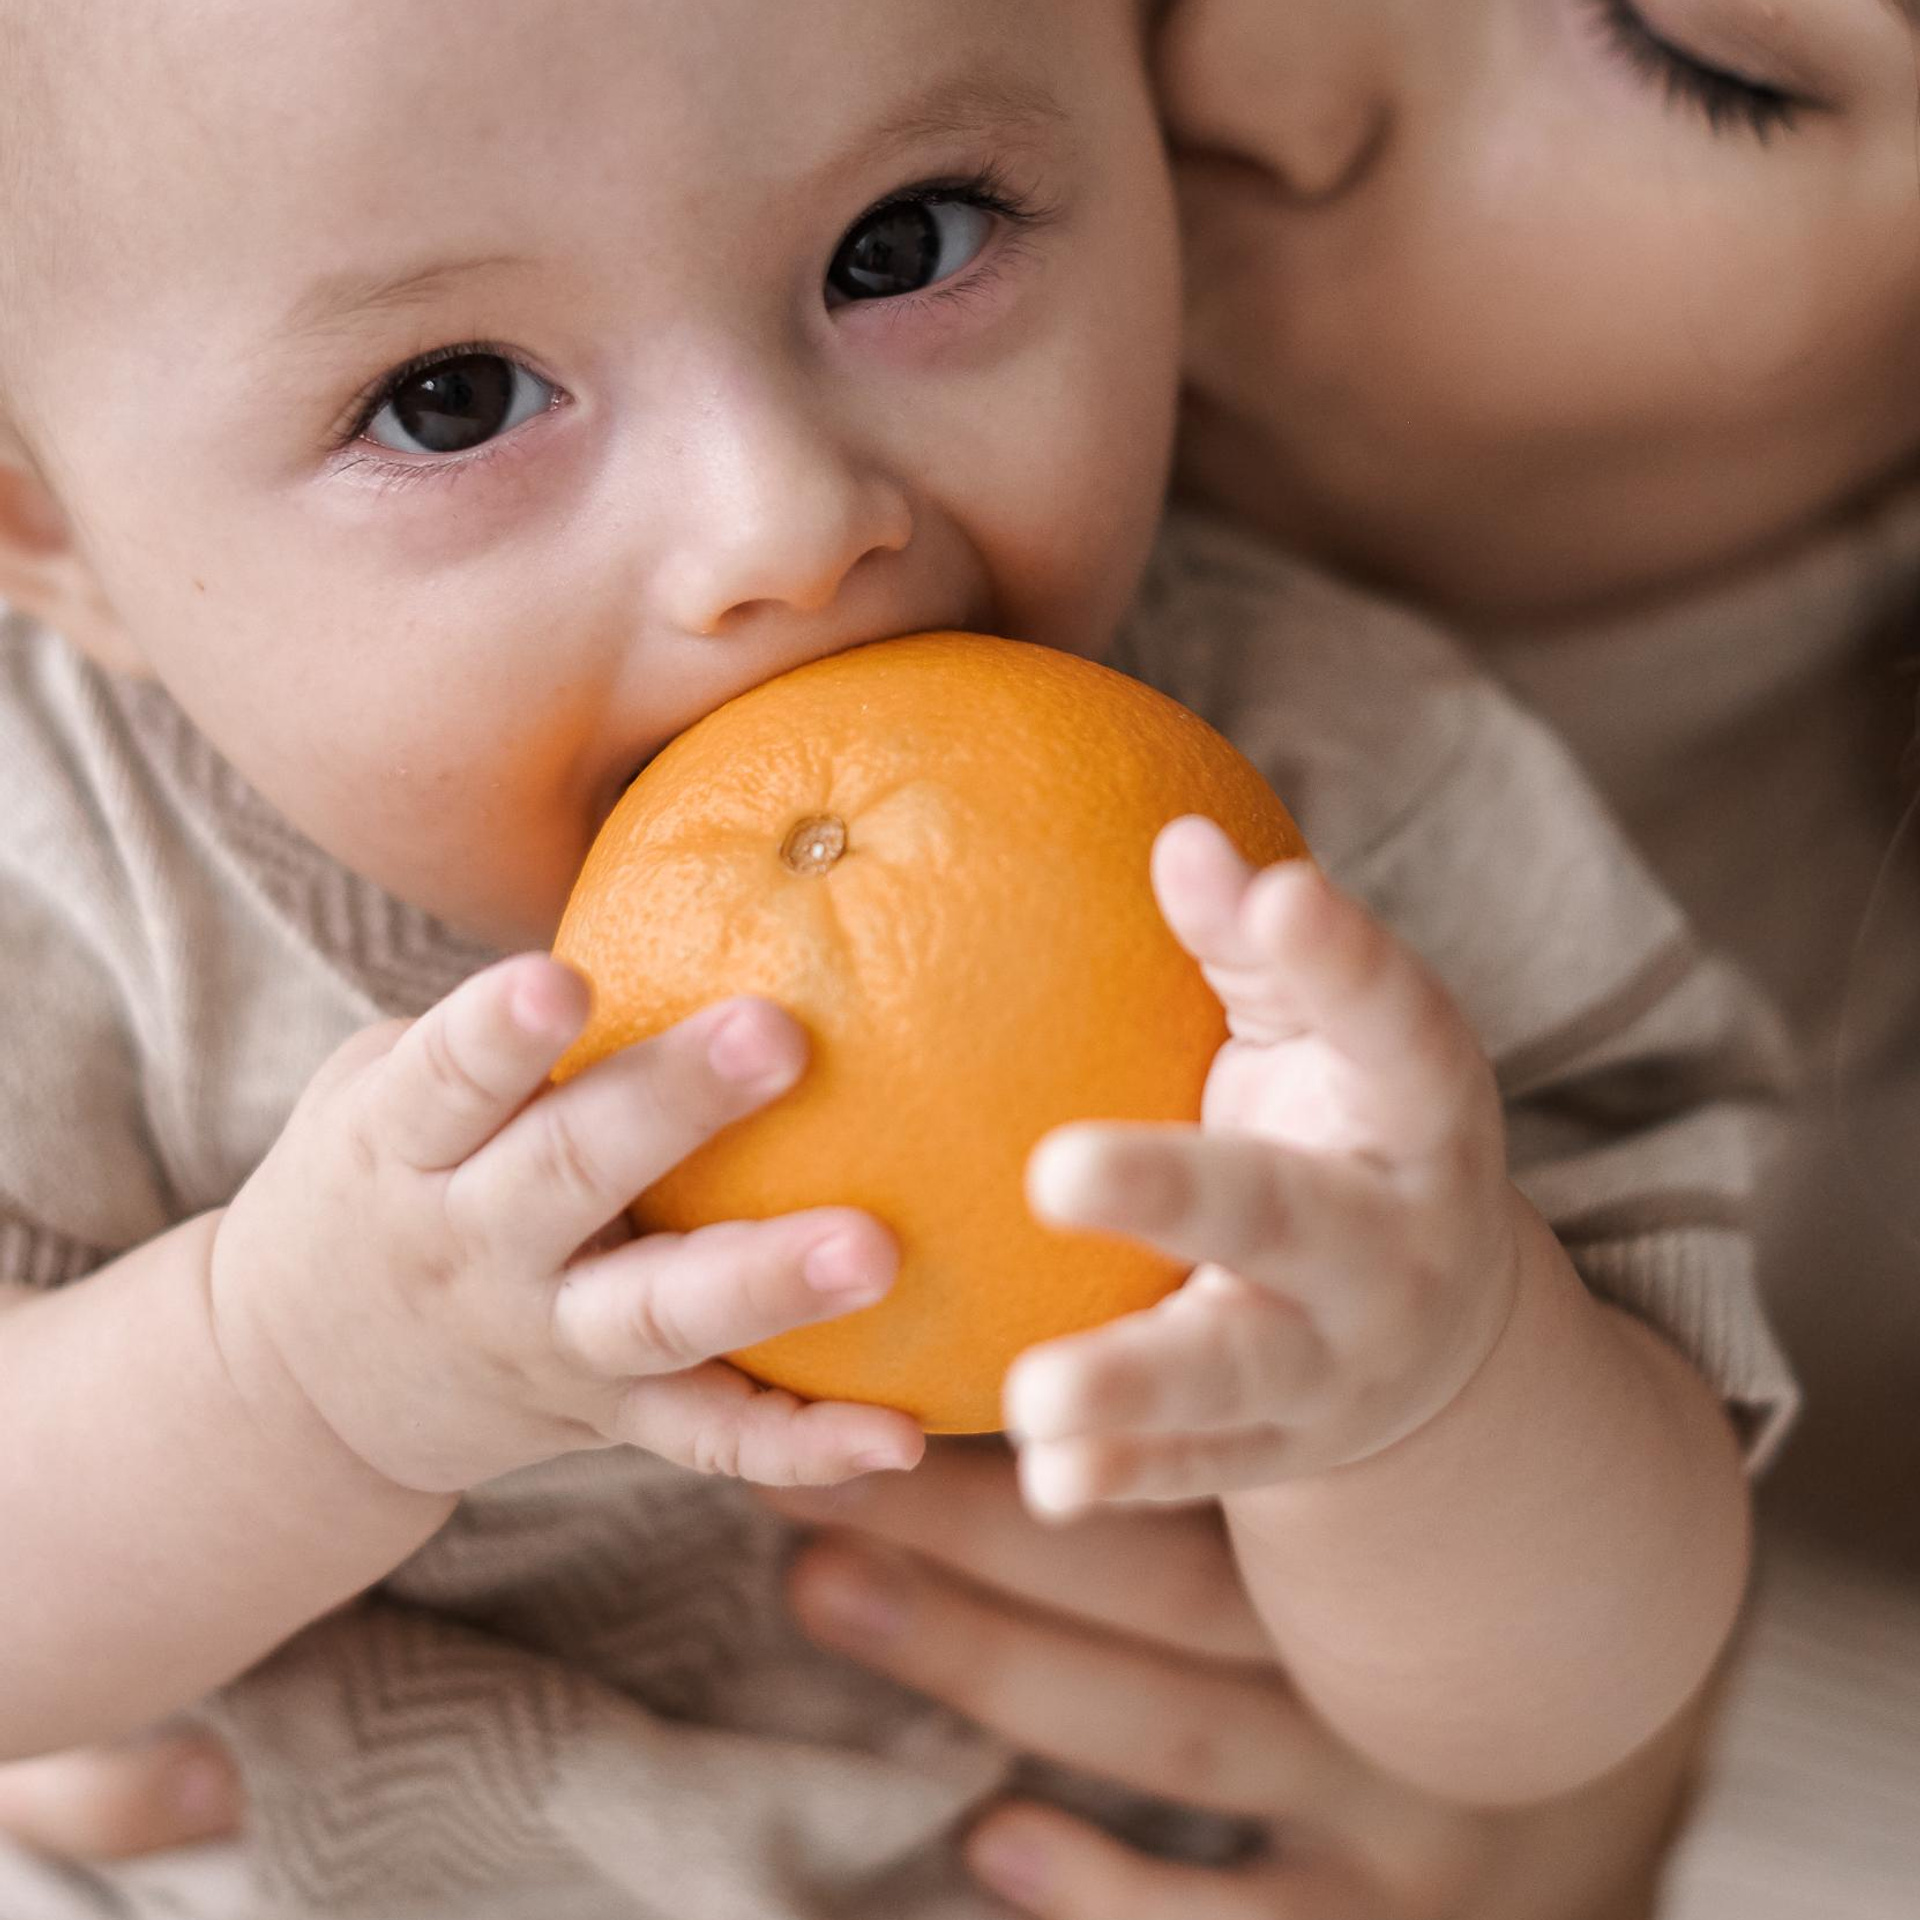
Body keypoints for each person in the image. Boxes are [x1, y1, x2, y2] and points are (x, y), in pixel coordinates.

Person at [0, 0, 1797, 1913]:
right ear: (56, 536)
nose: (783, 521)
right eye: (451, 396)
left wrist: (1442, 1386)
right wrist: (282, 1380)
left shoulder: (1337, 821)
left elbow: (1568, 1709)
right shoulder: (82, 875)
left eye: (908, 242)